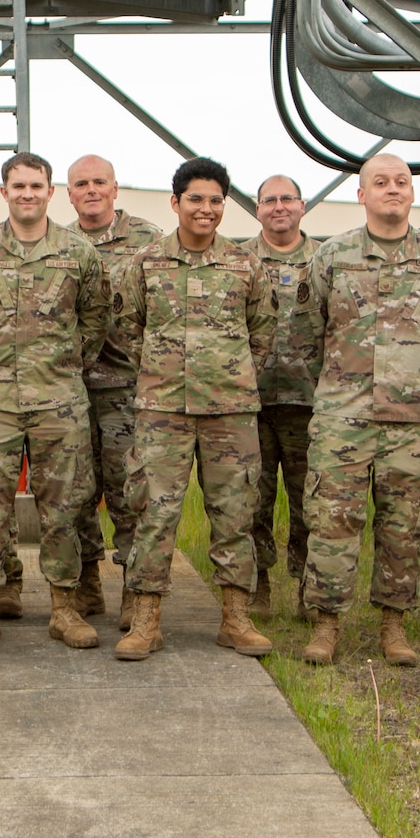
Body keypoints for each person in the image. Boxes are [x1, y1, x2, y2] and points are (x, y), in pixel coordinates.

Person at [299, 153, 420, 666]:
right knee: (332, 521)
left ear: (413, 193)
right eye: (381, 182)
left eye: (402, 181)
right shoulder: (332, 257)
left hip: (416, 422)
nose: (393, 189)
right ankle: (326, 625)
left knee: (406, 525)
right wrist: (340, 382)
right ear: (361, 194)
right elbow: (311, 330)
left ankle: (393, 627)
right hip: (343, 417)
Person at [113, 158, 277, 661]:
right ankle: (146, 621)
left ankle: (235, 618)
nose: (206, 209)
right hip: (162, 411)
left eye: (215, 200)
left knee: (234, 514)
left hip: (230, 412)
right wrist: (163, 371)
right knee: (153, 514)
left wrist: (229, 375)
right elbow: (125, 328)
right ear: (175, 202)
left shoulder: (247, 265)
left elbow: (263, 333)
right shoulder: (145, 264)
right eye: (196, 199)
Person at [0, 152, 110, 650]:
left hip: (59, 399)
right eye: (18, 186)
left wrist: (63, 364)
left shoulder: (78, 253)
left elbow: (96, 318)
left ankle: (64, 606)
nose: (27, 194)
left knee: (63, 506)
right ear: (4, 192)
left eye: (36, 186)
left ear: (50, 191)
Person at [66, 154, 164, 624]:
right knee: (76, 492)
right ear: (68, 194)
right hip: (71, 390)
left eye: (99, 182)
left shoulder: (149, 241)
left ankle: (132, 585)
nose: (91, 190)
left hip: (127, 387)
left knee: (129, 491)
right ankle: (87, 583)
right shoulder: (58, 242)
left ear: (115, 188)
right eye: (81, 183)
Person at [245, 173, 319, 619]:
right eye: (269, 200)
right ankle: (258, 586)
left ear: (302, 206)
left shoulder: (327, 261)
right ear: (257, 210)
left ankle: (309, 587)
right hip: (250, 404)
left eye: (287, 198)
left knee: (310, 501)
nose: (279, 207)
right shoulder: (238, 260)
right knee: (251, 500)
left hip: (310, 403)